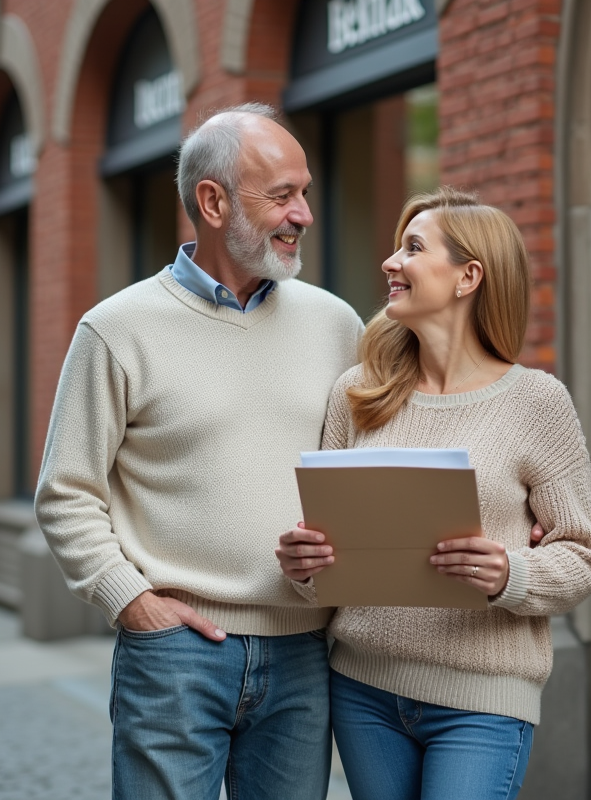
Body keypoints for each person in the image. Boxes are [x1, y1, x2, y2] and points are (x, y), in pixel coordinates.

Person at [34, 104, 364, 800]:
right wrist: (132, 602)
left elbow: (379, 465)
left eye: (305, 192)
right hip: (174, 654)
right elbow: (65, 492)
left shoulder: (338, 325)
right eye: (282, 195)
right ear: (212, 203)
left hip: (304, 655)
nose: (304, 214)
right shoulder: (116, 330)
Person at [276, 188, 591, 800]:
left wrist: (510, 573)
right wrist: (304, 567)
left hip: (482, 702)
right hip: (363, 690)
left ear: (468, 277)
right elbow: (327, 560)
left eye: (412, 248)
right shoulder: (357, 394)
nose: (390, 262)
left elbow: (583, 557)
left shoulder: (537, 403)